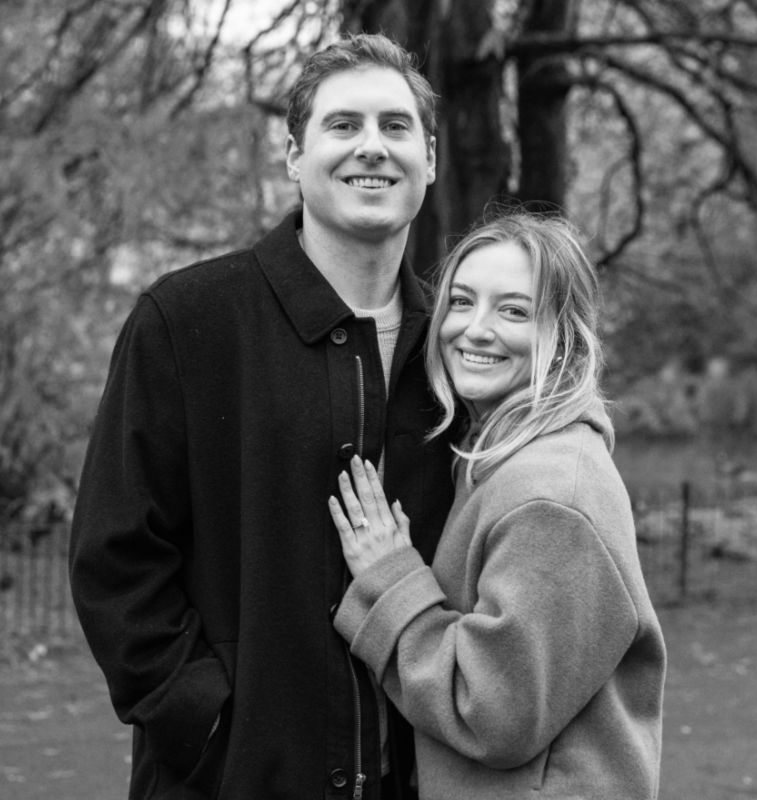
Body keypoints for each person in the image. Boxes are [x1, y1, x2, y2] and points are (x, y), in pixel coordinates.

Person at [69, 33, 456, 800]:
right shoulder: (187, 321)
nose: (372, 146)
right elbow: (115, 559)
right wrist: (206, 719)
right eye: (343, 125)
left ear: (431, 159)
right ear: (293, 157)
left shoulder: (458, 351)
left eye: (395, 125)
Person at [328, 210, 667, 800]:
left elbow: (491, 712)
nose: (475, 330)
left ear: (563, 338)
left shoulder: (551, 497)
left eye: (513, 311)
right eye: (461, 302)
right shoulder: (501, 458)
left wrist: (389, 578)